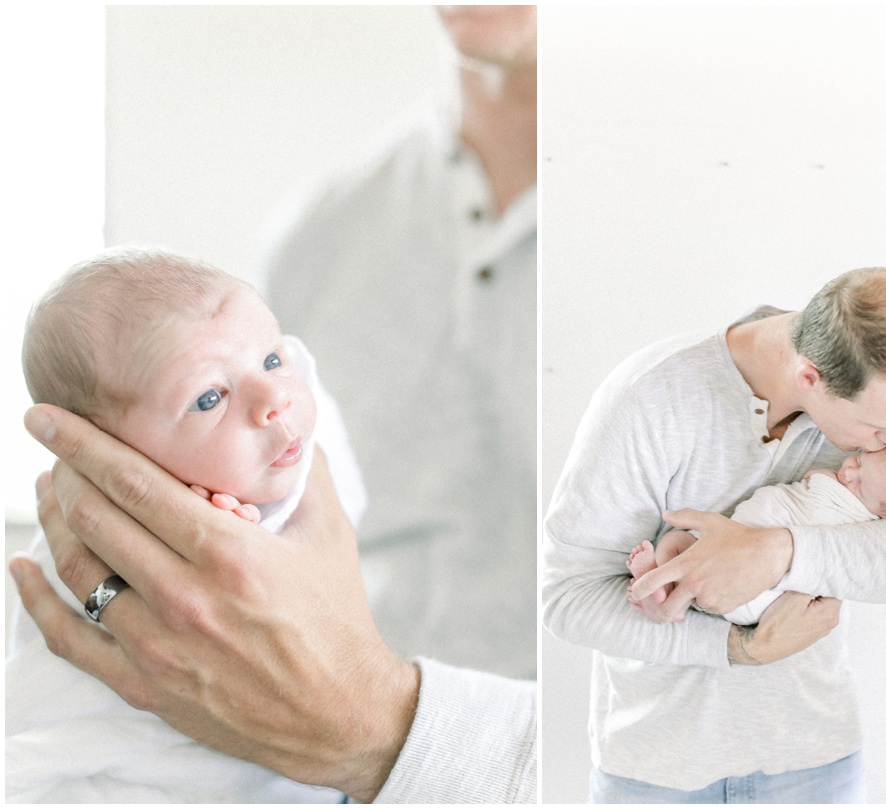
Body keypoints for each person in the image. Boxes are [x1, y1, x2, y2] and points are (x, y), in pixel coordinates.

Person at [9, 6, 537, 803]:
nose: (272, 395)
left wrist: (376, 726)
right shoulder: (323, 231)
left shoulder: (722, 210)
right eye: (218, 391)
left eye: (269, 362)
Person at [543, 267, 886, 803]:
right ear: (811, 377)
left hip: (816, 762)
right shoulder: (653, 397)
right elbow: (568, 599)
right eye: (878, 429)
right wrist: (740, 647)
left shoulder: (883, 405)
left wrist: (778, 552)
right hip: (662, 773)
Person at [9, 247, 367, 802]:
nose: (275, 398)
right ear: (111, 456)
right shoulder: (96, 520)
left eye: (272, 360)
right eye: (209, 398)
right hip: (127, 776)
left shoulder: (294, 455)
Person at [627, 444, 886, 625]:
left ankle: (662, 586)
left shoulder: (858, 519)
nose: (848, 472)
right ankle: (666, 594)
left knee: (677, 542)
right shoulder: (874, 505)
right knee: (684, 548)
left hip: (751, 591)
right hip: (745, 582)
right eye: (858, 461)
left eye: (860, 483)